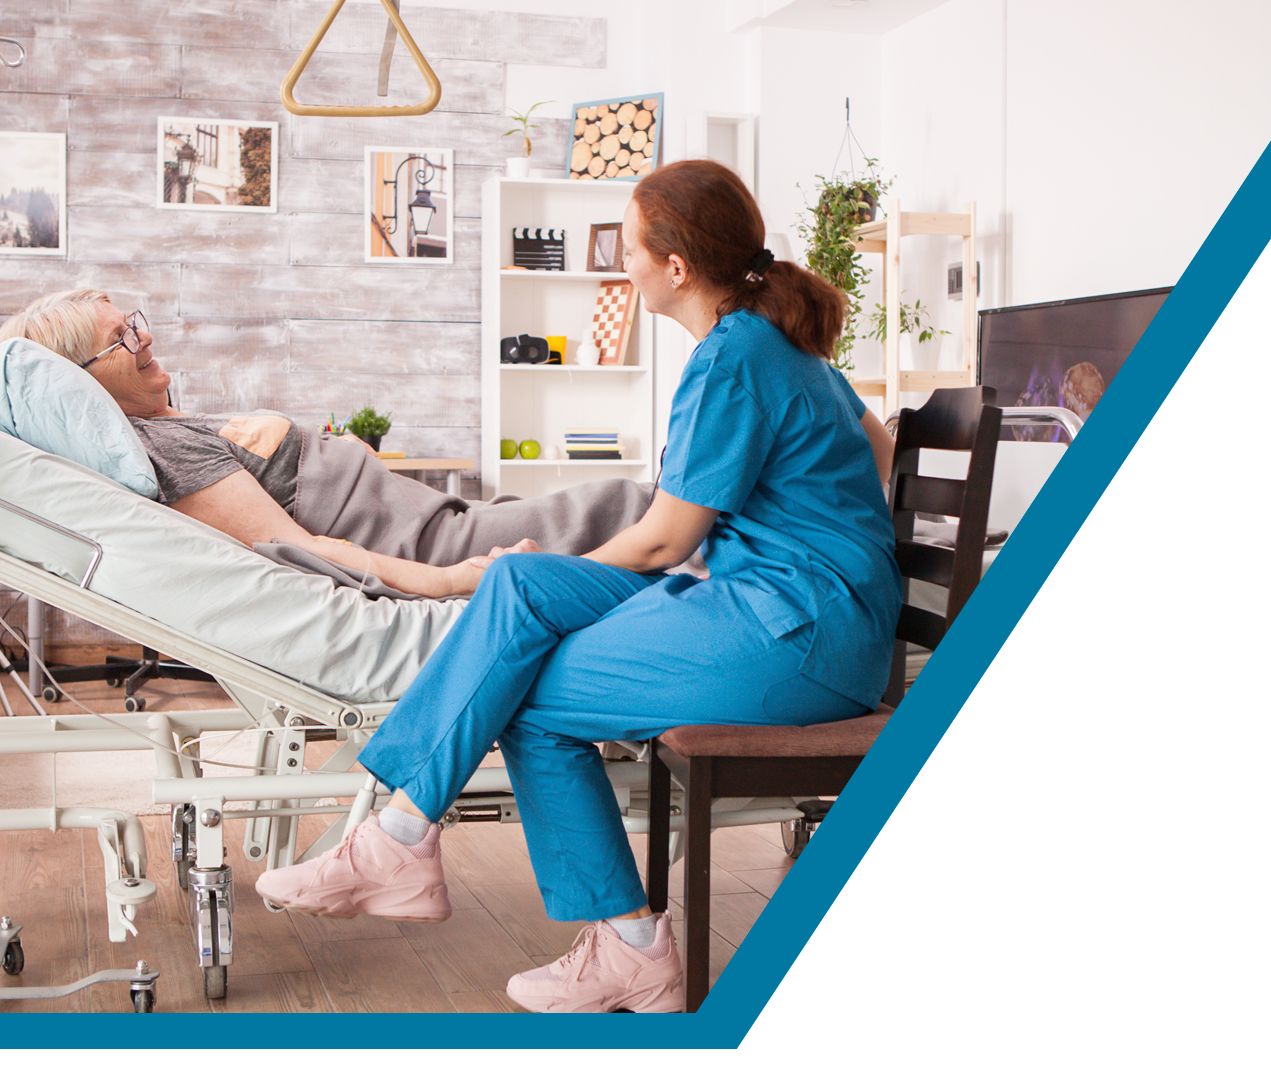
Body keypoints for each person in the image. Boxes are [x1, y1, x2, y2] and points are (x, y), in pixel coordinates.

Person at [254, 159, 902, 1012]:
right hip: (794, 613)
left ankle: (613, 940)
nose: (621, 264)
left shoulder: (734, 359)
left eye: (629, 248)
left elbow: (667, 538)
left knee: (522, 691)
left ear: (676, 268)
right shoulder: (774, 342)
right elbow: (878, 449)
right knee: (521, 583)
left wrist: (772, 554)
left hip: (796, 637)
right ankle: (402, 839)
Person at [0, 291, 660, 599]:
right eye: (121, 339)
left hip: (426, 517)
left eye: (134, 324)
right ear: (84, 382)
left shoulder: (168, 425)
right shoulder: (167, 453)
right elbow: (296, 547)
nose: (144, 338)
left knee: (613, 517)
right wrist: (450, 581)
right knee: (619, 506)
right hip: (423, 544)